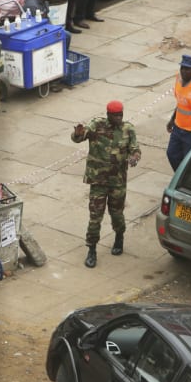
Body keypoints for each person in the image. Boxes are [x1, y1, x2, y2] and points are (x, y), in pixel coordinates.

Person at [71, 100, 141, 268]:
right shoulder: (97, 125)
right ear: (108, 114)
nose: (119, 118)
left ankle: (119, 236)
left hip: (117, 182)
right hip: (98, 181)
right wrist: (78, 133)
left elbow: (135, 149)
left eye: (121, 115)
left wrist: (134, 157)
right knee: (95, 216)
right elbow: (78, 137)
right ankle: (92, 249)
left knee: (117, 214)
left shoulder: (128, 129)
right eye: (115, 115)